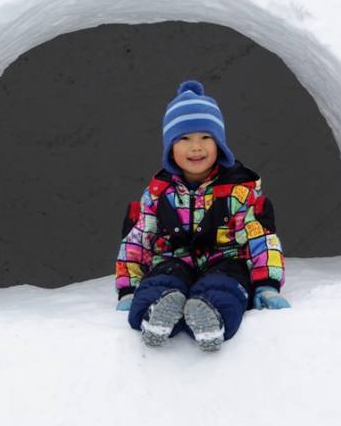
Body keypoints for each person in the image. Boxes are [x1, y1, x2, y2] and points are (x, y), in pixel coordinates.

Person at [114, 79, 290, 352]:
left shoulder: (238, 192)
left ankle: (211, 317)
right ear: (170, 147)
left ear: (219, 144)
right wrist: (128, 288)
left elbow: (261, 237)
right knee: (161, 279)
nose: (196, 147)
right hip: (174, 261)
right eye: (184, 139)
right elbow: (137, 240)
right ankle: (156, 313)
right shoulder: (158, 194)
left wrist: (267, 284)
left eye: (206, 138)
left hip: (225, 261)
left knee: (225, 286)